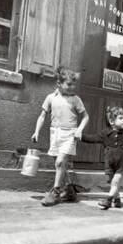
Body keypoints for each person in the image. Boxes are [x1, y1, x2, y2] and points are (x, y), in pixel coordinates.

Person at [31, 67, 89, 206]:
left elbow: (86, 117)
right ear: (59, 83)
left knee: (59, 162)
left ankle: (55, 192)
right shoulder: (51, 98)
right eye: (69, 84)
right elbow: (42, 115)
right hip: (55, 133)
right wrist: (36, 131)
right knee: (60, 164)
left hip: (69, 134)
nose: (72, 87)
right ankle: (69, 189)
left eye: (74, 84)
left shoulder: (75, 99)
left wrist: (79, 129)